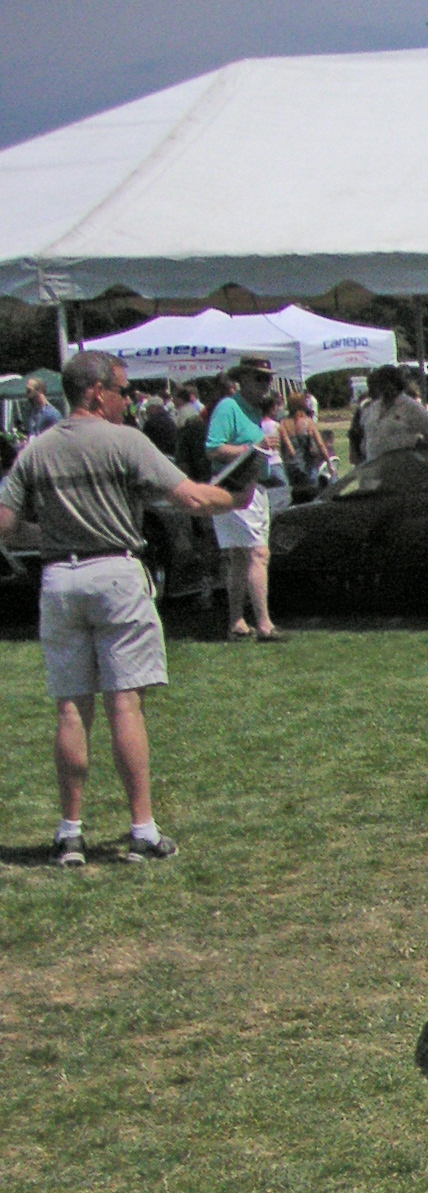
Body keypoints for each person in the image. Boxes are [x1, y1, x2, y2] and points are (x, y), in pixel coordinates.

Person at [0, 351, 248, 864]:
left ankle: (69, 832)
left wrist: (42, 534)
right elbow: (191, 499)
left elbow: (4, 523)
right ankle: (142, 829)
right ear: (95, 392)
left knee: (71, 708)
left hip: (58, 578)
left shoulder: (35, 451)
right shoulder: (126, 441)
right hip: (115, 572)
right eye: (121, 389)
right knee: (124, 704)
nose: (128, 399)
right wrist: (235, 499)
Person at [205, 355, 284, 641]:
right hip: (234, 488)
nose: (266, 384)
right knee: (258, 554)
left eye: (268, 378)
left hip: (252, 487)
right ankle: (264, 624)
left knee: (241, 557)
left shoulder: (252, 409)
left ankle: (237, 621)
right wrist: (254, 447)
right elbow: (213, 448)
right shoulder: (229, 406)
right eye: (259, 378)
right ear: (243, 380)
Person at [355, 365, 428, 463]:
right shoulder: (373, 408)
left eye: (384, 383)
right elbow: (363, 432)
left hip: (400, 465)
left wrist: (416, 446)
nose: (381, 388)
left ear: (394, 383)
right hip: (374, 466)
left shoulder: (409, 406)